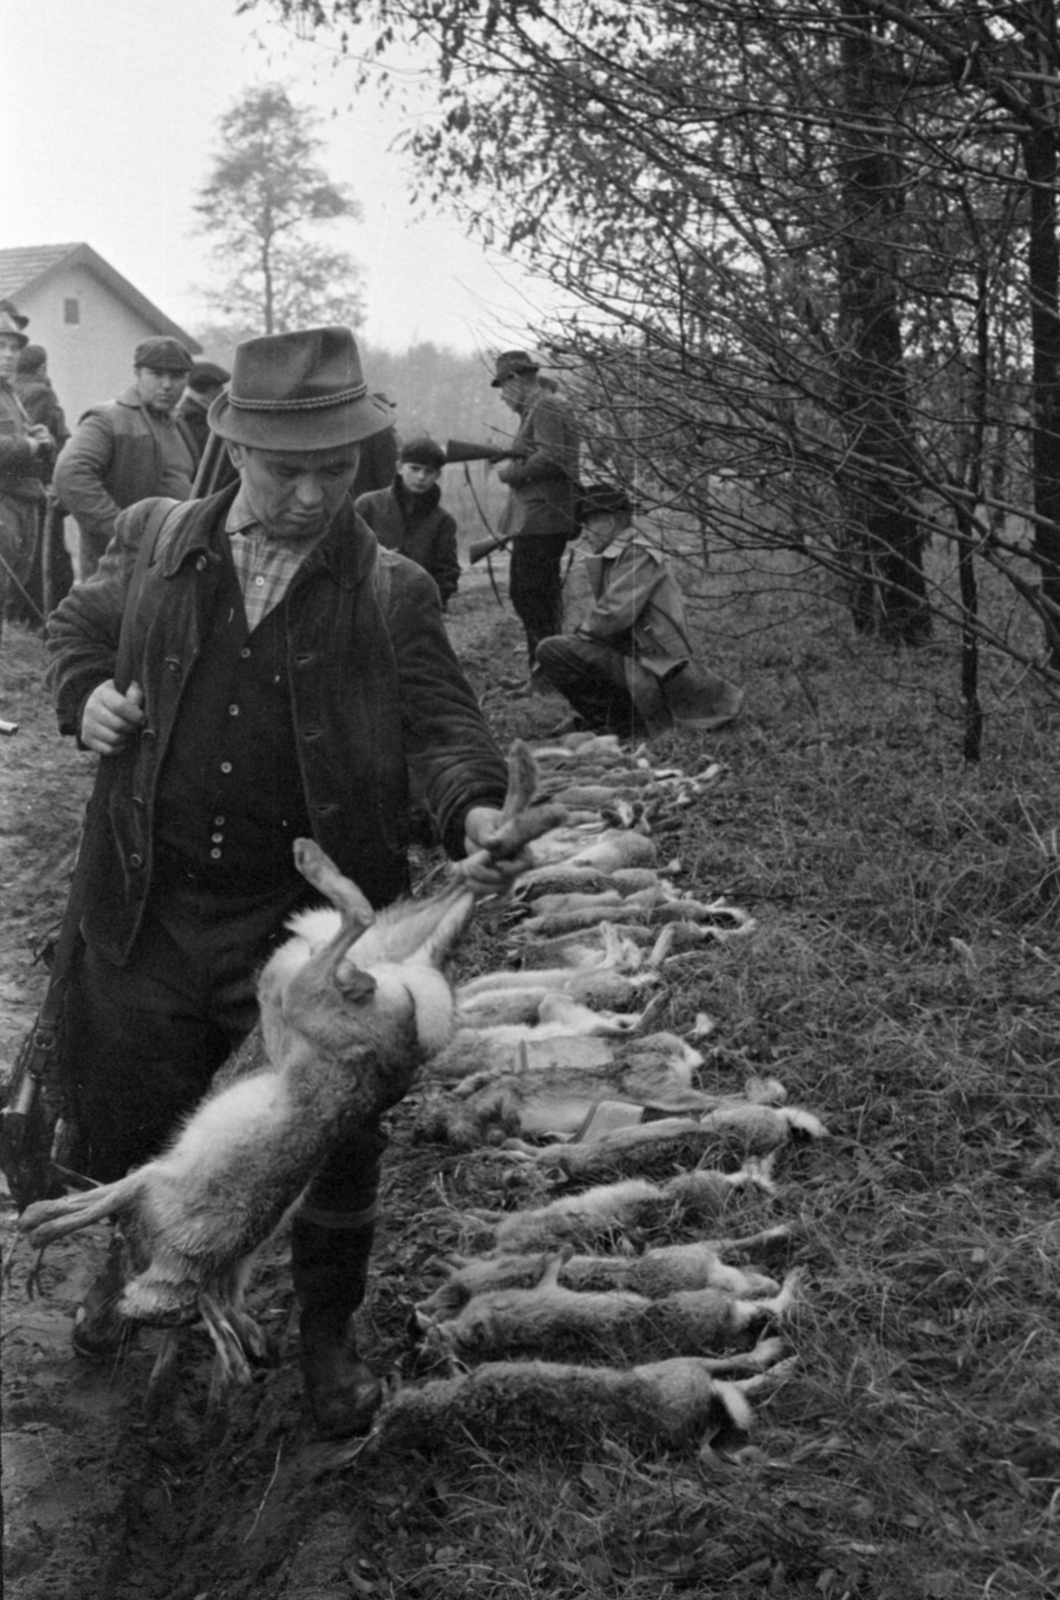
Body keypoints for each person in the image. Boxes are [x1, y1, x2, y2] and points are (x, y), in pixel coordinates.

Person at [45, 325, 517, 1439]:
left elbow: (442, 724)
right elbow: (78, 627)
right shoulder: (158, 540)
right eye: (285, 469)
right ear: (233, 445)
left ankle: (324, 1334)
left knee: (333, 1132)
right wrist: (84, 699)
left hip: (308, 930)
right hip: (146, 897)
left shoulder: (391, 589)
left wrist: (475, 803)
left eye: (333, 469)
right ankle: (124, 1271)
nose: (311, 495)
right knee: (127, 1107)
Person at [535, 483, 744, 742]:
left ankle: (618, 725)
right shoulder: (626, 553)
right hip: (642, 662)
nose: (585, 536)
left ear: (610, 522)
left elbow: (611, 617)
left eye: (588, 525)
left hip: (659, 669)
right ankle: (616, 721)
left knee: (552, 650)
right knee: (565, 649)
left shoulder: (637, 553)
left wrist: (579, 636)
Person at [54, 335, 198, 578]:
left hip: (171, 561)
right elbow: (70, 475)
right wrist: (123, 533)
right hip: (118, 569)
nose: (166, 384)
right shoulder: (107, 418)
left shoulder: (178, 423)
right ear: (138, 373)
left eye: (176, 377)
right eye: (156, 374)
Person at [490, 350, 580, 671]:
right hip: (540, 518)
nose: (502, 397)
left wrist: (510, 473)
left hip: (543, 518)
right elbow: (546, 451)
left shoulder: (545, 405)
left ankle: (548, 671)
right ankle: (541, 669)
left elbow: (553, 456)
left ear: (515, 380)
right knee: (531, 596)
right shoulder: (541, 406)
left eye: (503, 387)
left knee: (531, 597)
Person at [355, 435, 460, 608]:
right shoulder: (368, 505)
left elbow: (447, 573)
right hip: (367, 605)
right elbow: (345, 555)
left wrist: (431, 607)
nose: (421, 477)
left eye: (429, 471)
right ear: (399, 468)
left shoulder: (443, 521)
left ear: (438, 475)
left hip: (417, 609)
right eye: (414, 468)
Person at [0, 310, 54, 638]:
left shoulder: (9, 392)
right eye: (1, 346)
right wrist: (30, 446)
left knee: (14, 591)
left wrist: (43, 440)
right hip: (3, 501)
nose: (8, 355)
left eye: (14, 348)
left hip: (23, 499)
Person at [14, 344, 73, 619]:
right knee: (47, 565)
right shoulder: (40, 393)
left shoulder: (12, 389)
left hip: (26, 486)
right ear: (42, 368)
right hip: (40, 487)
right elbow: (34, 439)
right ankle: (44, 622)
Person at [175, 359, 230, 464]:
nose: (222, 391)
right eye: (217, 387)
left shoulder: (198, 408)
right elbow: (213, 449)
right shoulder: (192, 414)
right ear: (204, 389)